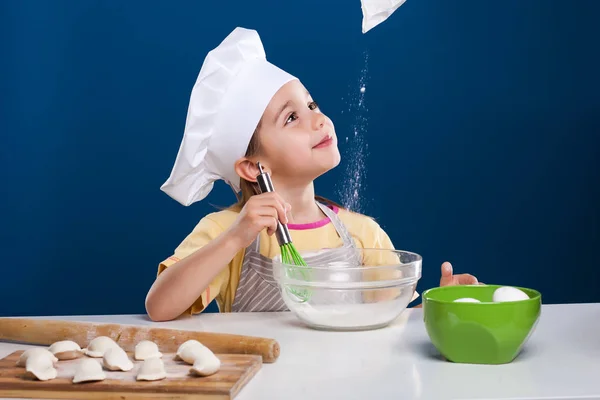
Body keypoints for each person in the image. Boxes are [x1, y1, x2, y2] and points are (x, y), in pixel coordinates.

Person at [145, 27, 479, 322]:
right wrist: (236, 237)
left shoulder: (362, 233)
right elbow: (159, 307)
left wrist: (442, 307)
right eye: (291, 118)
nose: (318, 120)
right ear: (252, 167)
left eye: (312, 105)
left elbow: (391, 327)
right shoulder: (227, 232)